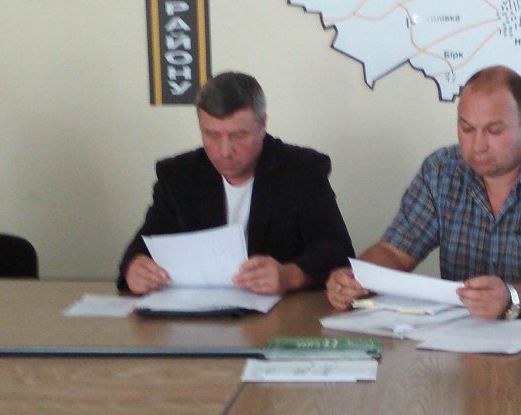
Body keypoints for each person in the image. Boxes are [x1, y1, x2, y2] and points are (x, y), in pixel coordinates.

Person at [326, 65, 521, 321]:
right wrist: (357, 278)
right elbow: (395, 252)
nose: (478, 145)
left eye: (494, 130)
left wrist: (512, 298)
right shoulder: (441, 171)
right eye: (467, 128)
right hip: (470, 337)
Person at [118, 71, 354, 295]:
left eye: (239, 136)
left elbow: (337, 252)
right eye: (212, 135)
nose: (225, 151)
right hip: (199, 315)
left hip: (283, 313)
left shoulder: (302, 170)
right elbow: (145, 244)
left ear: (263, 125)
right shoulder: (178, 176)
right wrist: (135, 268)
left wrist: (290, 275)